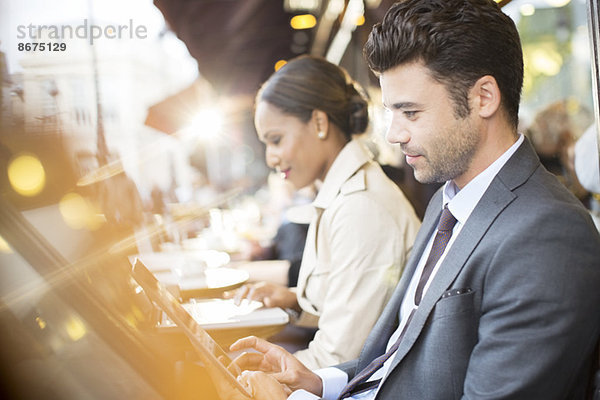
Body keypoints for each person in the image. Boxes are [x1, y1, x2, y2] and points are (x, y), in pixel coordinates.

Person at [216, 0, 600, 399]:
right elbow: (396, 355)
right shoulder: (447, 201)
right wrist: (318, 382)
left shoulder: (546, 234)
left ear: (483, 97)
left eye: (411, 113)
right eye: (391, 114)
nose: (394, 135)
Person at [230, 55, 421, 369]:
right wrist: (293, 302)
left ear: (319, 124)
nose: (271, 158)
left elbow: (339, 358)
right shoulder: (342, 195)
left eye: (276, 140)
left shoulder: (361, 208)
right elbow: (355, 312)